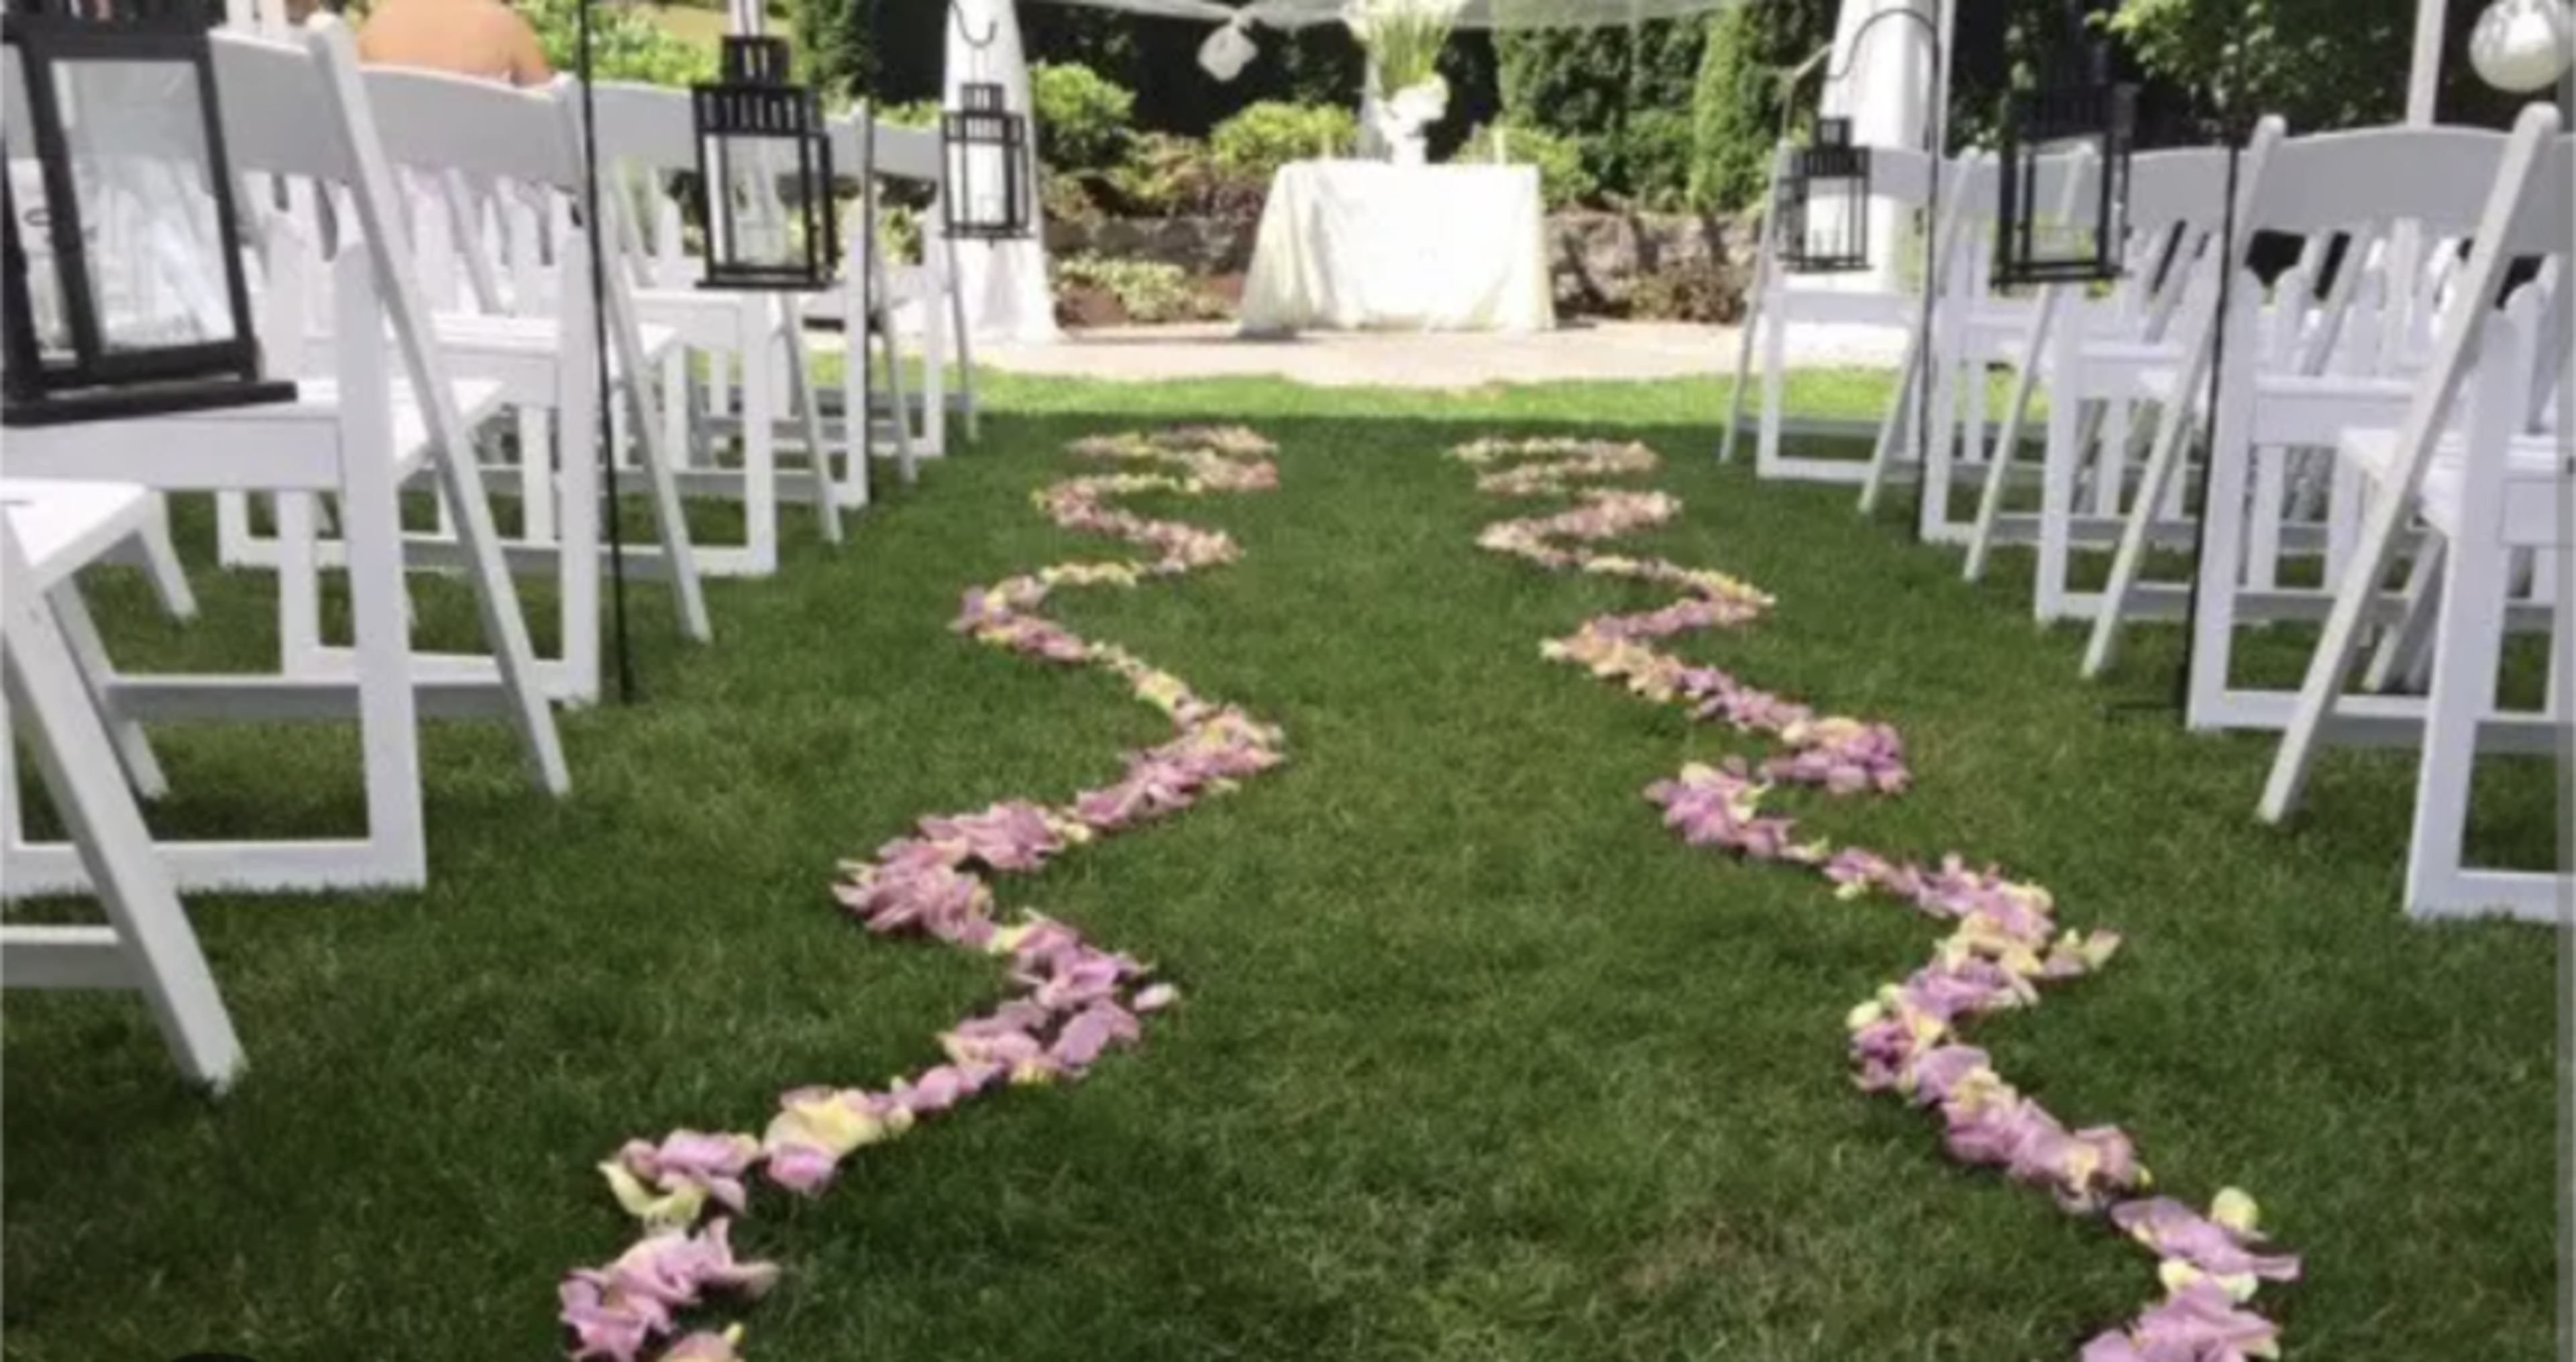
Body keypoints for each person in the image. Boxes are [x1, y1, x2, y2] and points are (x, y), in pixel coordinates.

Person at [355, 0, 553, 87]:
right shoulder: (505, 26)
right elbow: (554, 122)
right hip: (487, 167)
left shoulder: (377, 23)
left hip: (386, 172)